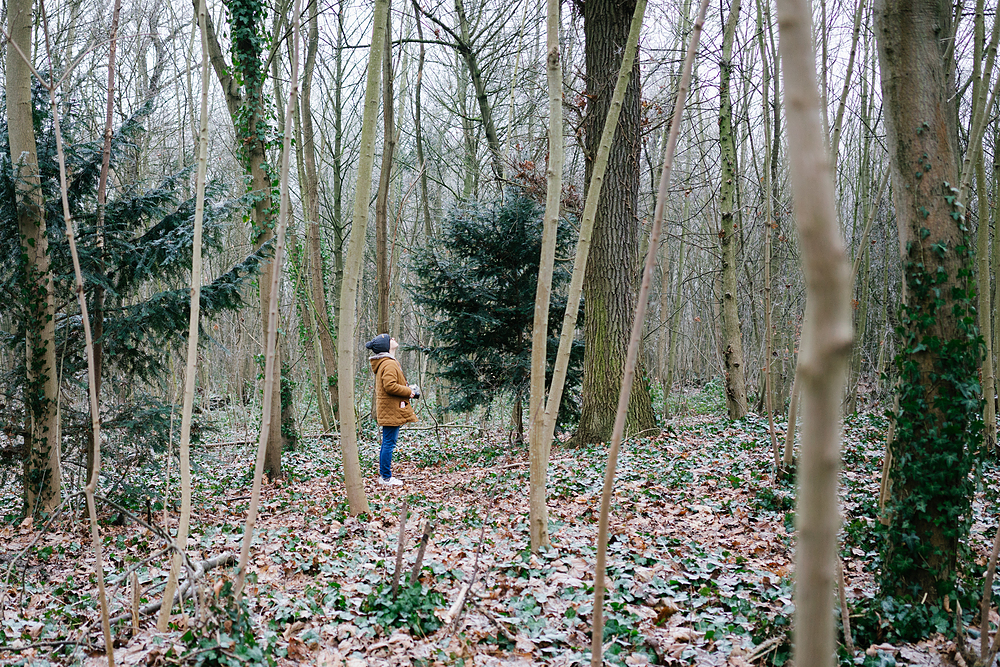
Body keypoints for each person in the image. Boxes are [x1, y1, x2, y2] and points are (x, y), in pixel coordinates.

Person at [366, 333, 417, 486]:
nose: (394, 339)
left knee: (388, 442)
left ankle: (385, 476)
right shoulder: (388, 363)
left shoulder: (387, 362)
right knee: (389, 443)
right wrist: (409, 392)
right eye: (390, 339)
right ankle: (386, 477)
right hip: (391, 409)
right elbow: (390, 386)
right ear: (386, 346)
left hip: (391, 408)